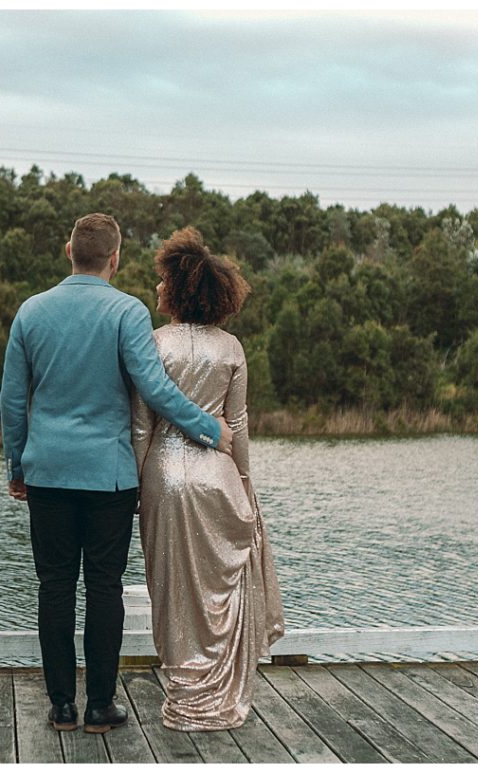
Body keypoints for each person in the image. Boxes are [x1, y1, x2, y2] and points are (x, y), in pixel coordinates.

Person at [0, 213, 233, 734]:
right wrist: (209, 429)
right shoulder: (127, 312)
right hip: (109, 477)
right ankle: (100, 707)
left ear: (68, 251)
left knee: (54, 587)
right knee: (104, 587)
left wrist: (17, 464)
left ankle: (61, 706)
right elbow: (155, 390)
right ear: (115, 257)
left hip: (48, 474)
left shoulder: (31, 312)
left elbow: (14, 400)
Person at [131, 226, 285, 731]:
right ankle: (217, 700)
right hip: (217, 474)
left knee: (171, 589)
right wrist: (244, 480)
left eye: (161, 282)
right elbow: (237, 425)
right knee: (221, 589)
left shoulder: (154, 343)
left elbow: (141, 427)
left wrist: (136, 486)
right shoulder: (232, 349)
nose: (156, 289)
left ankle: (182, 696)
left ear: (177, 289)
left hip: (163, 475)